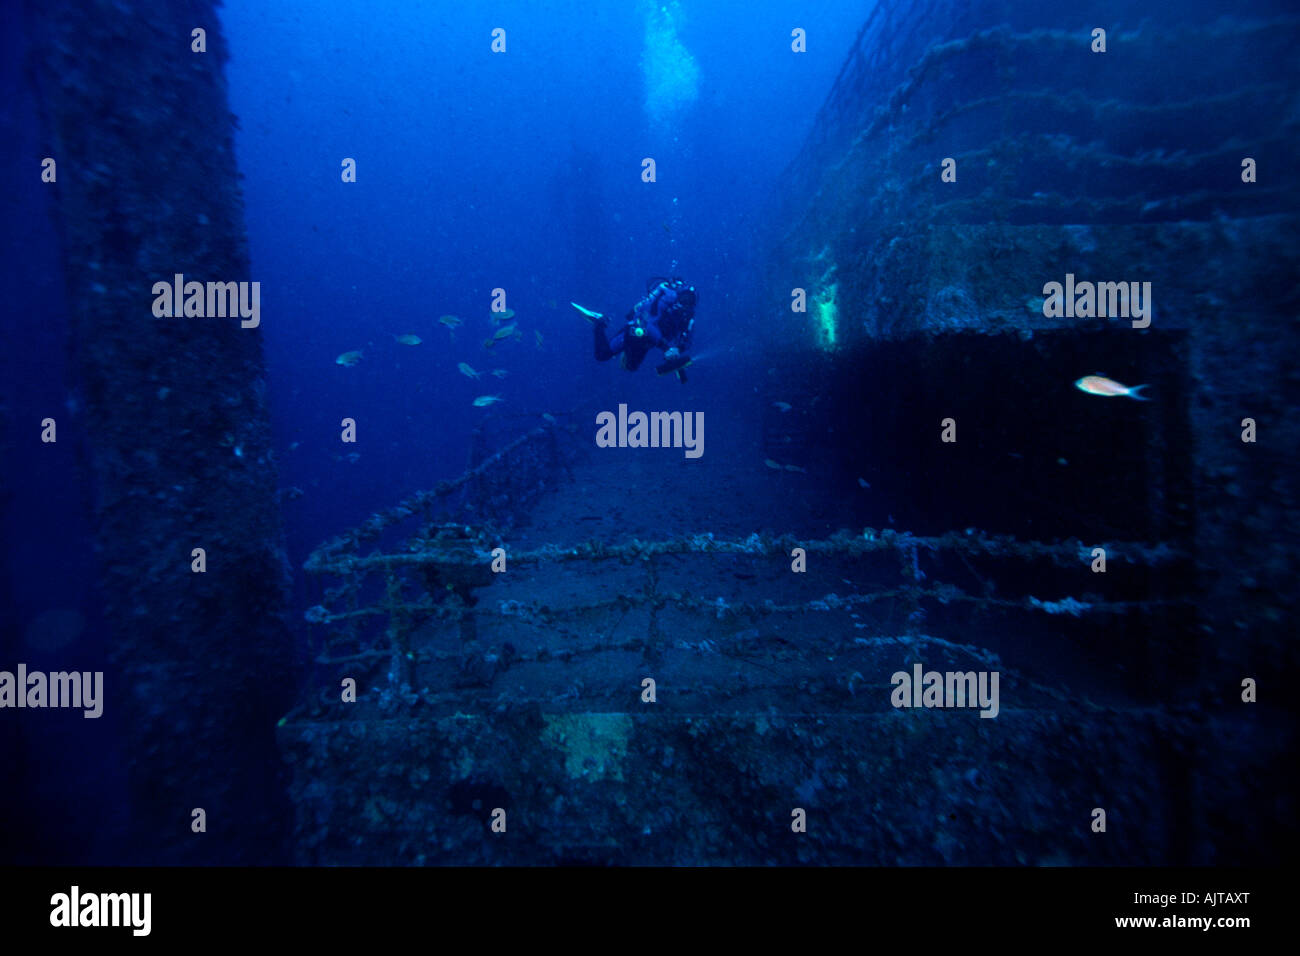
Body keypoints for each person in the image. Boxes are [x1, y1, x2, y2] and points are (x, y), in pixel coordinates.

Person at [573, 277, 697, 382]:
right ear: (678, 296)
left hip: (649, 343)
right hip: (636, 332)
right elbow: (647, 324)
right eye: (684, 300)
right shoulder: (664, 301)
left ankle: (625, 352)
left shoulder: (688, 317)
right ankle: (599, 321)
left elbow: (687, 340)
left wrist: (677, 350)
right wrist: (666, 348)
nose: (685, 305)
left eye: (690, 302)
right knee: (602, 355)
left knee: (630, 367)